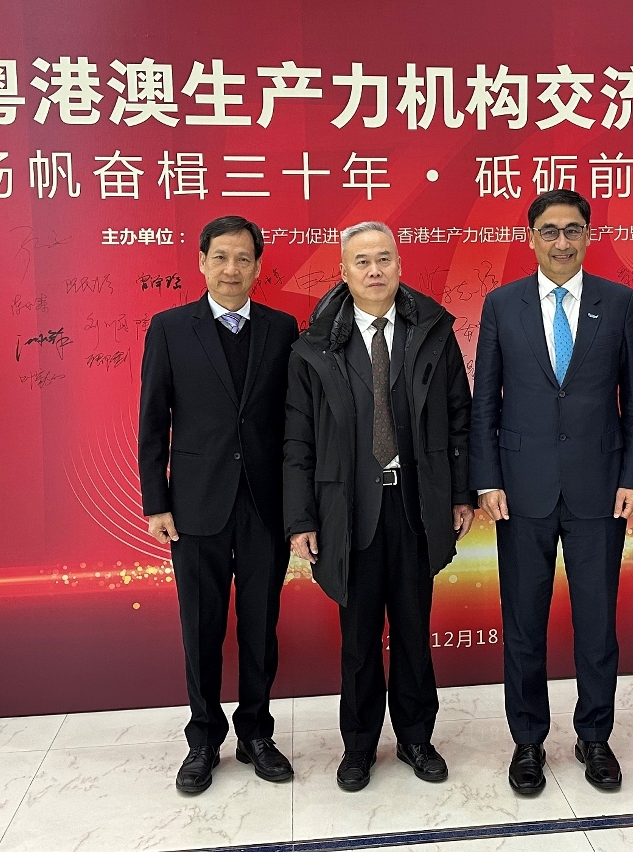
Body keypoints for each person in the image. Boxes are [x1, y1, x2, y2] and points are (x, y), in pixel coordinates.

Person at [470, 189, 633, 794]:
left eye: (573, 229)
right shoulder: (502, 304)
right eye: (549, 230)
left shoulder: (619, 302)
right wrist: (487, 478)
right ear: (531, 239)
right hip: (520, 489)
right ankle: (527, 741)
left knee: (597, 623)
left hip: (601, 487)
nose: (562, 241)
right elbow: (484, 399)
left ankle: (595, 736)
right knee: (524, 623)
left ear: (589, 236)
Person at [284, 222, 474, 792]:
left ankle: (417, 738)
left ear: (399, 265)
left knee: (414, 631)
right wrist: (301, 518)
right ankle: (359, 745)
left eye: (384, 259)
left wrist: (460, 493)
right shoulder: (314, 346)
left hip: (416, 505)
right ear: (343, 272)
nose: (374, 270)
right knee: (360, 638)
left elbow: (459, 418)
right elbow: (297, 440)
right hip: (349, 511)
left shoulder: (433, 333)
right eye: (362, 261)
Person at [138, 215, 299, 794]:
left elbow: (295, 424)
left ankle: (256, 732)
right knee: (201, 628)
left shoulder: (283, 328)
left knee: (260, 627)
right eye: (221, 257)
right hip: (195, 505)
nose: (232, 269)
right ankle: (203, 739)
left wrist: (299, 505)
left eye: (243, 259)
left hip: (265, 505)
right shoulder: (170, 328)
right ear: (202, 262)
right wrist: (156, 502)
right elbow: (153, 420)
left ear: (258, 267)